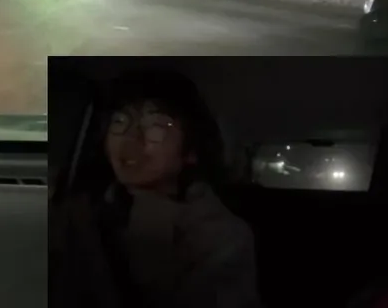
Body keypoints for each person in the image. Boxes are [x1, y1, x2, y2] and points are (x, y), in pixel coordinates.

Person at [73, 69, 263, 308]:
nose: (131, 138)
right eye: (119, 122)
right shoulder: (82, 209)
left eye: (156, 126)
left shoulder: (221, 237)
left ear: (190, 151)